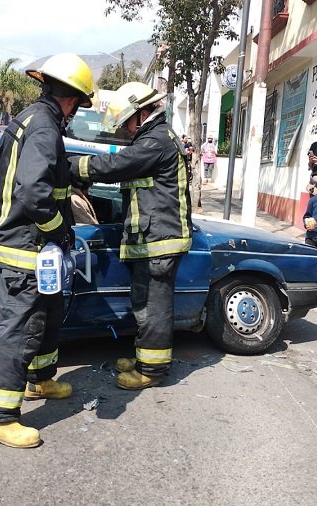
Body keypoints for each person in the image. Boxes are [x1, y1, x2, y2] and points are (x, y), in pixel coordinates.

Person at [0, 53, 95, 449]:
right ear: (72, 99)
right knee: (21, 330)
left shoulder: (30, 118)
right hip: (22, 249)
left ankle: (39, 381)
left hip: (21, 245)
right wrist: (61, 230)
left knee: (46, 317)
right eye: (79, 104)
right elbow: (34, 193)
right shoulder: (45, 128)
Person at [69, 81, 193, 390]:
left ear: (141, 113)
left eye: (126, 121)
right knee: (144, 303)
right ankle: (144, 360)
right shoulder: (154, 138)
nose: (124, 129)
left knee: (154, 308)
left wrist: (70, 166)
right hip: (152, 238)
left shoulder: (156, 141)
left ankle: (151, 371)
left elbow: (115, 166)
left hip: (160, 241)